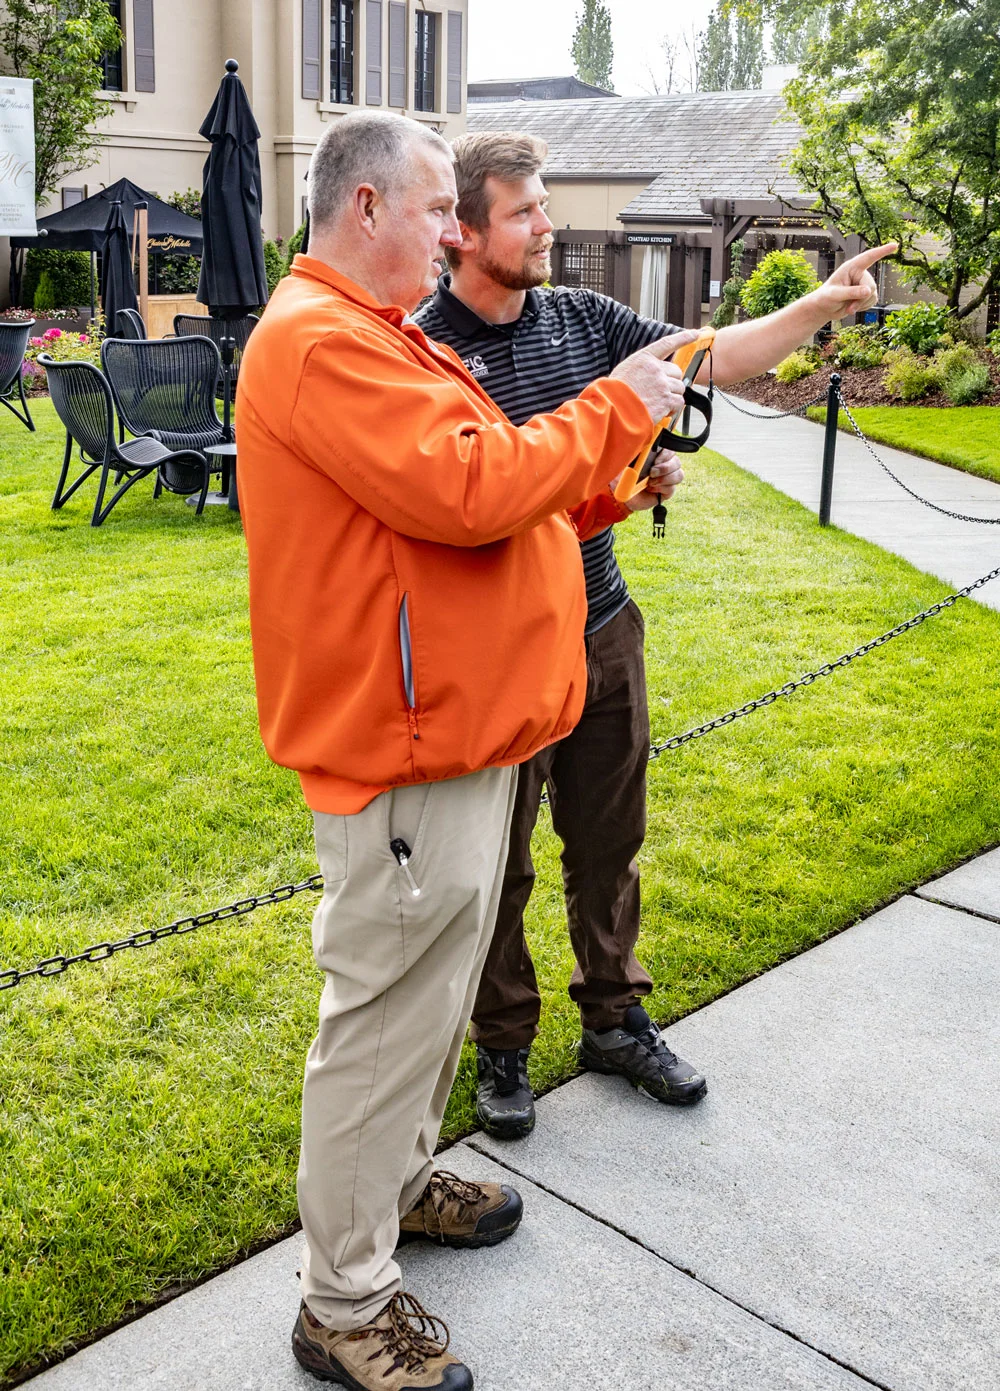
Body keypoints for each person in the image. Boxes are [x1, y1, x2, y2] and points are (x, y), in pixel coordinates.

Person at [236, 111, 697, 1391]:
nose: (453, 236)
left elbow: (481, 492)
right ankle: (343, 1302)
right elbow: (468, 491)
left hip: (450, 733)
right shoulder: (323, 341)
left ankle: (397, 1183)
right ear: (367, 207)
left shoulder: (375, 332)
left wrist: (604, 484)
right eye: (440, 209)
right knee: (385, 1021)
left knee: (430, 1009)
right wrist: (617, 403)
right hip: (404, 748)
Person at [415, 131, 895, 1141]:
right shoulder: (426, 354)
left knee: (609, 839)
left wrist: (818, 304)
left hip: (601, 626)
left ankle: (613, 1017)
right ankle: (503, 1041)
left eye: (545, 204)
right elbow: (471, 509)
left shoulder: (583, 318)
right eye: (523, 211)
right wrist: (597, 490)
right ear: (461, 231)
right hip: (499, 655)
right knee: (497, 862)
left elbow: (709, 356)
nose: (547, 225)